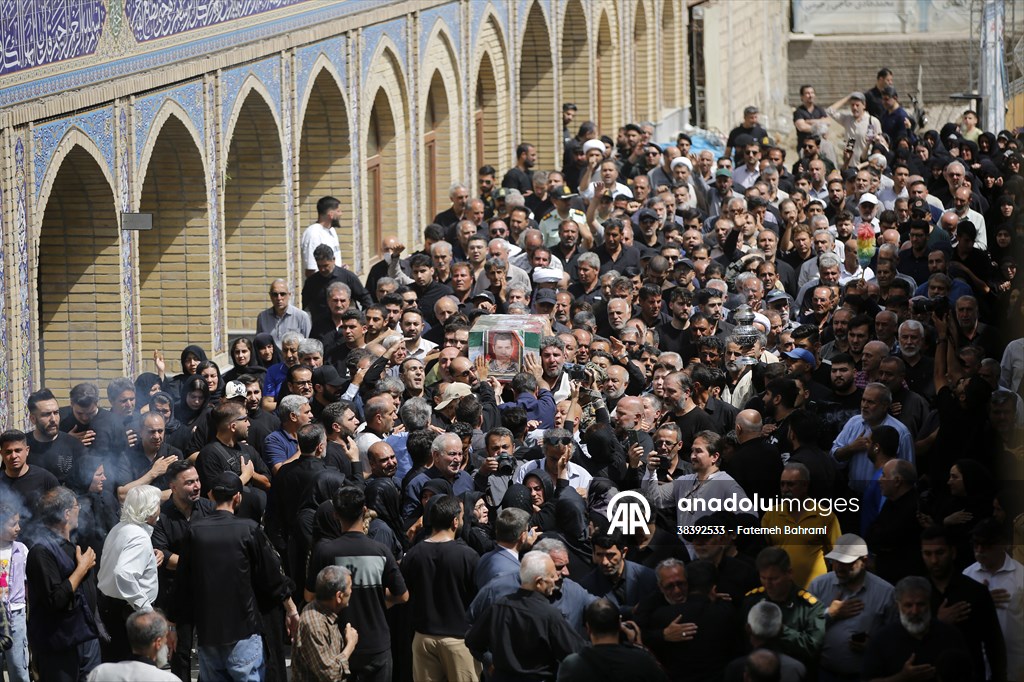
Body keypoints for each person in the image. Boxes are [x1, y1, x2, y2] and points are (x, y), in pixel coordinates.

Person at [169, 472, 300, 682]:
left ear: (210, 496)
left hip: (208, 635)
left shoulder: (195, 531)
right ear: (238, 497)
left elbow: (182, 585)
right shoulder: (248, 529)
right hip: (244, 633)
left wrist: (172, 625)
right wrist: (291, 609)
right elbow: (272, 577)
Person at [305, 486, 409, 682]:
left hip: (338, 643)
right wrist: (378, 598)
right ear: (364, 510)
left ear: (336, 514)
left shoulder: (324, 552)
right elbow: (403, 596)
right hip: (377, 643)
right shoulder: (381, 551)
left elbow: (309, 596)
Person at [465, 550, 586, 681]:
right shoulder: (549, 615)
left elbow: (473, 641)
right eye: (551, 576)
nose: (556, 579)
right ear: (539, 582)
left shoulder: (499, 607)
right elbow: (575, 652)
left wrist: (491, 662)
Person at [400, 494, 482, 681]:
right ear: (455, 521)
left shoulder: (413, 555)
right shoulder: (468, 556)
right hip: (459, 640)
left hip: (422, 638)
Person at [25, 487, 102, 682]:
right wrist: (81, 569)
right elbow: (56, 599)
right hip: (59, 645)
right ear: (67, 513)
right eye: (77, 506)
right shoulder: (41, 551)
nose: (80, 510)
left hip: (83, 638)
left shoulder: (71, 544)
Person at [806, 533, 896, 681]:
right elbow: (803, 627)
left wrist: (873, 647)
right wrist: (830, 614)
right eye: (836, 561)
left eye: (846, 562)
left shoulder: (885, 593)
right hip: (825, 673)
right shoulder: (819, 586)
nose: (839, 567)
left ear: (864, 561)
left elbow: (894, 638)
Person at [96, 485, 162, 662]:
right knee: (131, 667)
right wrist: (146, 608)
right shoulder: (139, 536)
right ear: (150, 510)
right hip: (127, 612)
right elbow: (123, 573)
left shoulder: (120, 528)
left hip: (112, 607)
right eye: (157, 505)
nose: (159, 511)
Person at [862, 576, 968, 682]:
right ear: (898, 605)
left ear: (929, 603)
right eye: (908, 605)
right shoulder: (882, 640)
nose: (915, 611)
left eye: (920, 604)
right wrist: (902, 677)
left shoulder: (950, 635)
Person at [556, 598, 669, 682]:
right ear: (620, 624)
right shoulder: (642, 660)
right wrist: (640, 648)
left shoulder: (572, 666)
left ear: (588, 628)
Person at [291, 565, 359, 682]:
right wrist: (350, 645)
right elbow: (330, 675)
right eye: (350, 587)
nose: (351, 591)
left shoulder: (323, 611)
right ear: (339, 596)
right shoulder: (315, 626)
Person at [84, 610, 178, 682]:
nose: (166, 642)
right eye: (165, 637)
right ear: (158, 643)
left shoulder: (100, 672)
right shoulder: (168, 680)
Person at [0, 503, 29, 682]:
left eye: (18, 523)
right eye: (12, 524)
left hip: (16, 613)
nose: (18, 528)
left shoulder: (21, 550)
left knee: (18, 666)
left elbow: (28, 583)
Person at [256, 279, 312, 348]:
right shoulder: (262, 317)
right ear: (270, 296)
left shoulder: (302, 317)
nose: (279, 298)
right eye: (275, 294)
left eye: (282, 294)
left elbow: (307, 345)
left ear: (289, 295)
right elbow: (259, 344)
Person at [301, 196, 342, 276]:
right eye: (338, 211)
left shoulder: (331, 231)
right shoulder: (313, 234)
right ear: (331, 214)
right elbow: (311, 269)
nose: (341, 214)